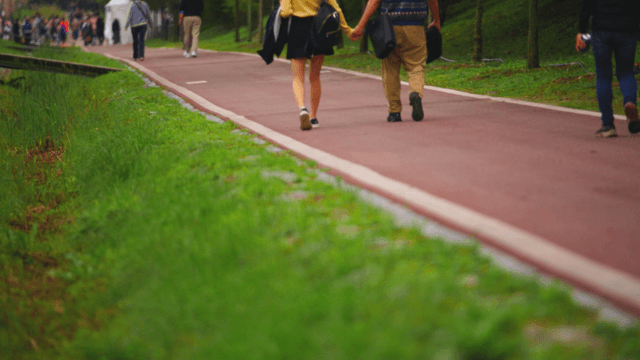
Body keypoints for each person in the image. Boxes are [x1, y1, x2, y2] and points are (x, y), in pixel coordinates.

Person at [350, 0, 440, 123]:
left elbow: (374, 2)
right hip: (415, 27)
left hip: (389, 28)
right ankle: (415, 93)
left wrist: (360, 26)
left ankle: (394, 112)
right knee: (416, 65)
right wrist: (436, 20)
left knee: (390, 69)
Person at [279, 0, 353, 130]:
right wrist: (347, 30)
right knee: (315, 76)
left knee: (297, 76)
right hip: (319, 27)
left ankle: (302, 108)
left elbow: (286, 12)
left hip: (298, 28)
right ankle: (313, 118)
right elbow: (336, 8)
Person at [577, 0, 640, 137]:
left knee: (603, 76)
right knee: (626, 72)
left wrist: (581, 31)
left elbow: (586, 6)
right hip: (627, 30)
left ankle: (608, 125)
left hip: (601, 31)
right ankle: (629, 102)